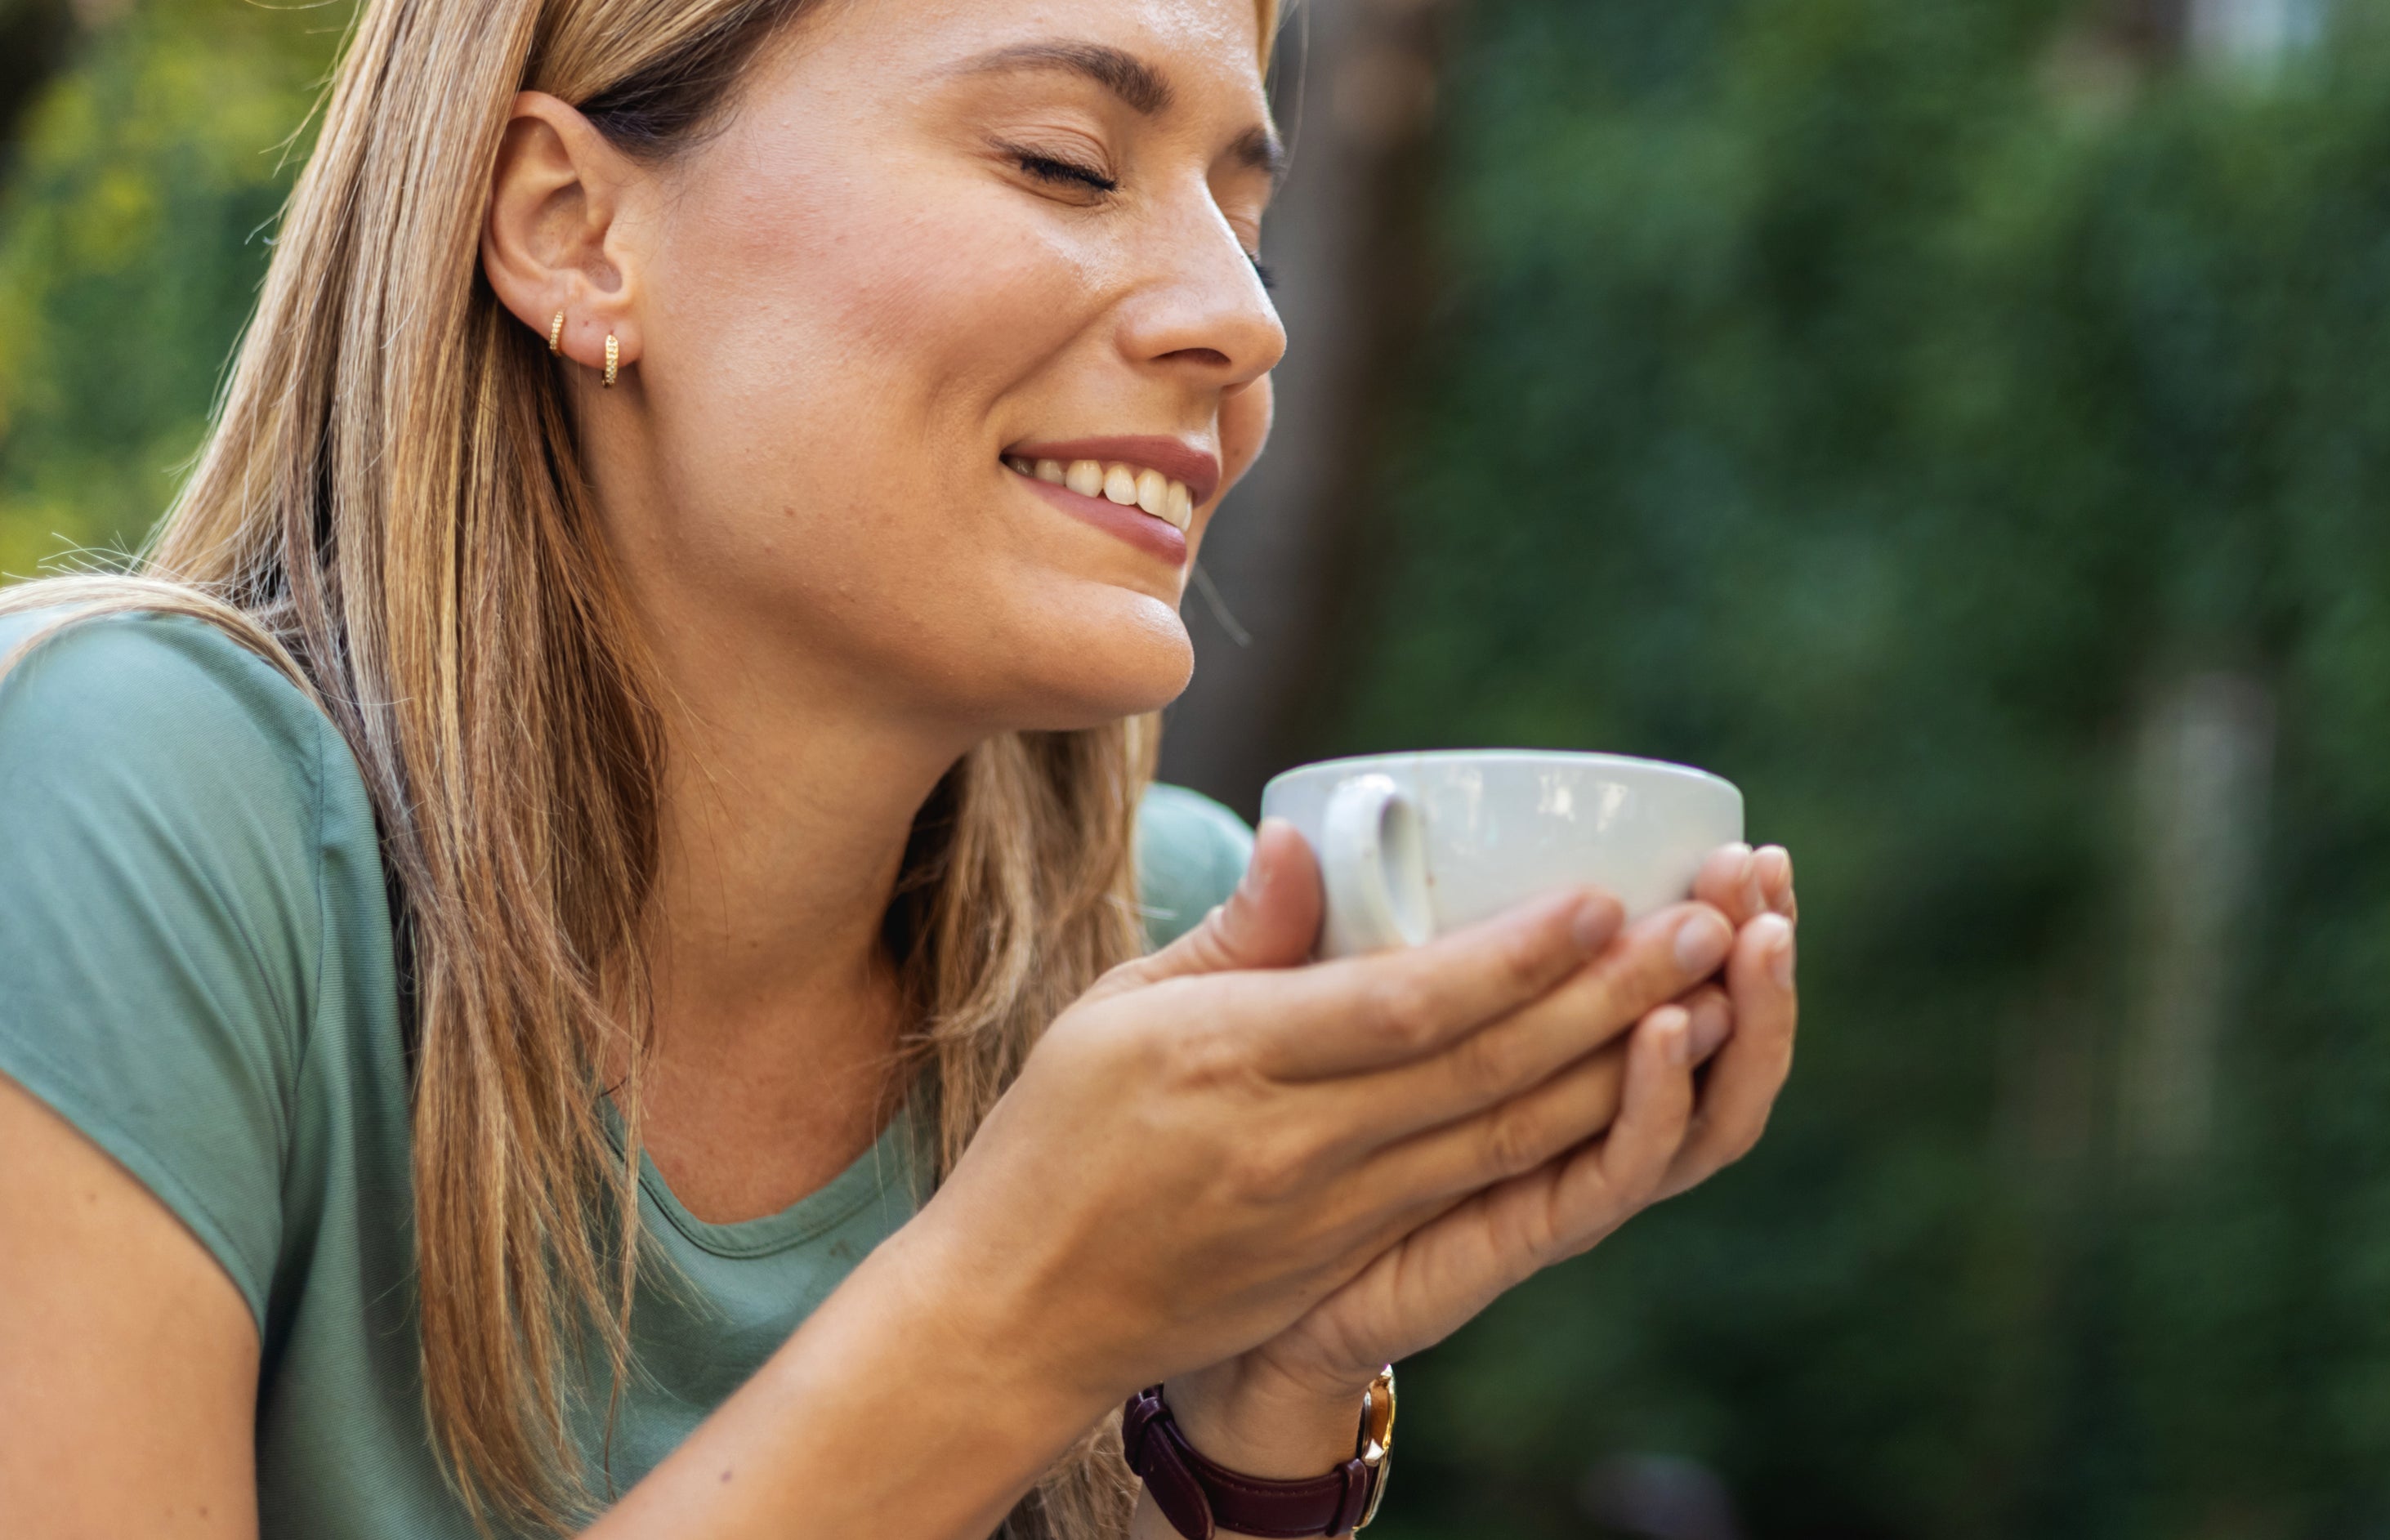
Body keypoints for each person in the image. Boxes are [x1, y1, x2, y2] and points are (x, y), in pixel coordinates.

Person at [0, 0, 1800, 1534]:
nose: (1245, 322)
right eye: (1063, 162)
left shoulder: (1175, 941)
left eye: (1245, 218)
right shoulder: (126, 806)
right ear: (570, 228)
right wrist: (1019, 1311)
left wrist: (1263, 1399)